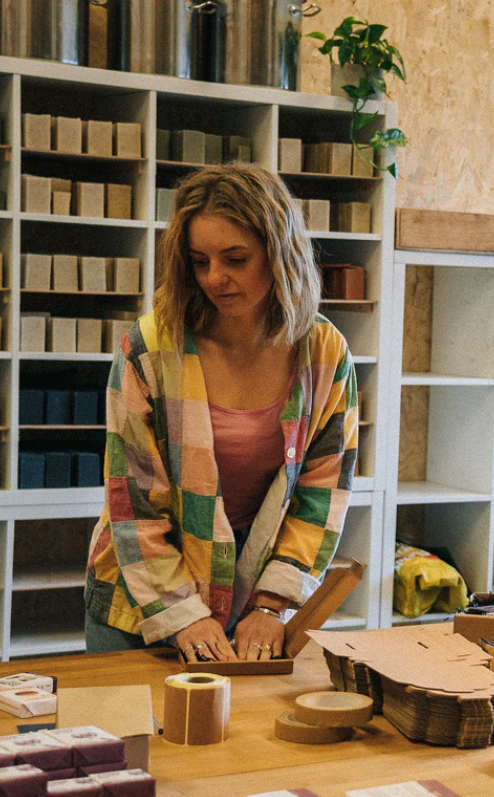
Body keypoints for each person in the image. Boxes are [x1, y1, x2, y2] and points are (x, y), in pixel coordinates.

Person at [84, 163, 358, 663]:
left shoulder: (323, 353)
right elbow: (134, 502)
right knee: (135, 740)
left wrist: (273, 604)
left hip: (251, 601)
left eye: (235, 258)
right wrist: (183, 613)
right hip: (143, 600)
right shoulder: (150, 349)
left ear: (280, 254)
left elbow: (323, 490)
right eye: (199, 261)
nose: (215, 278)